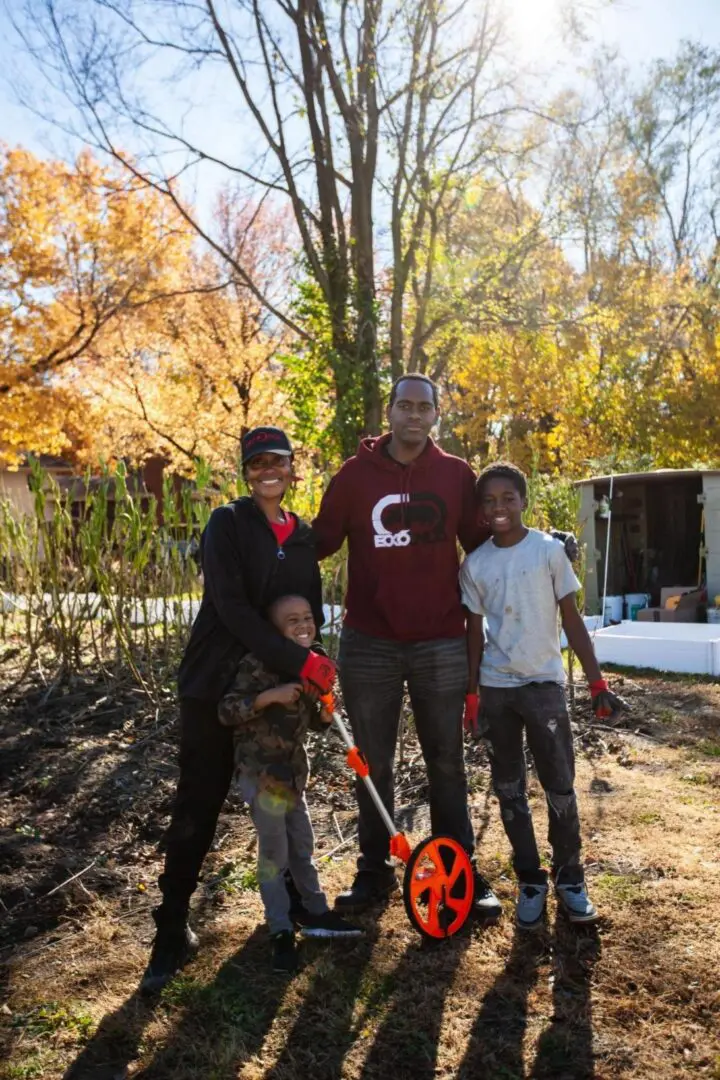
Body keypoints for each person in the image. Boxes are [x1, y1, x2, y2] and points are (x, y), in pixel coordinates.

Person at [312, 374, 576, 916]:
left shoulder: (456, 476)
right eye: (404, 406)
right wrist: (259, 536)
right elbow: (318, 543)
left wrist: (548, 544)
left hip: (440, 640)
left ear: (436, 416)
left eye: (424, 407)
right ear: (389, 412)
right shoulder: (354, 477)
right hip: (370, 642)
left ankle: (461, 872)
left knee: (447, 763)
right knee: (373, 763)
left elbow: (491, 545)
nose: (413, 415)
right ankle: (373, 872)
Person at [141, 427, 337, 993]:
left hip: (278, 691)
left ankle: (298, 904)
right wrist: (293, 663)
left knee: (282, 791)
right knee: (197, 805)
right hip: (213, 683)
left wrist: (316, 662)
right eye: (257, 463)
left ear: (293, 467)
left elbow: (308, 613)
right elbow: (228, 606)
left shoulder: (301, 536)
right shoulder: (226, 523)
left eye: (278, 460)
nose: (268, 470)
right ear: (246, 471)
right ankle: (172, 928)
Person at [460, 462, 626, 929]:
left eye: (507, 498)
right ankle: (530, 879)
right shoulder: (476, 564)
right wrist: (472, 695)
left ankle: (570, 880)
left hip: (544, 688)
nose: (499, 508)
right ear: (480, 510)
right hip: (497, 689)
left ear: (523, 501)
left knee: (560, 787)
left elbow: (571, 620)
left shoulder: (549, 552)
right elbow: (474, 632)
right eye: (489, 501)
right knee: (509, 787)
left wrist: (597, 682)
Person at [218, 594, 363, 974]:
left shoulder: (310, 664)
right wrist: (268, 697)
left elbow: (314, 722)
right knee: (273, 855)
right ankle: (280, 927)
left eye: (308, 618)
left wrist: (325, 714)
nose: (303, 625)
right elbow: (226, 710)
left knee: (302, 845)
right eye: (292, 621)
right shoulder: (257, 664)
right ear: (273, 631)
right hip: (260, 775)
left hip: (292, 775)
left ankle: (316, 911)